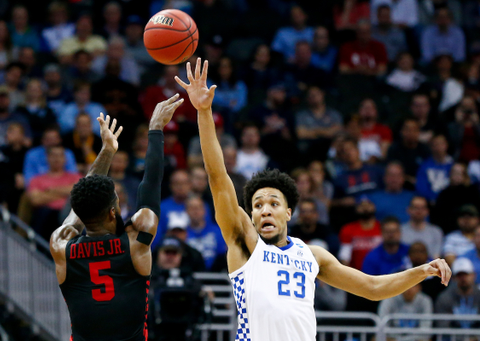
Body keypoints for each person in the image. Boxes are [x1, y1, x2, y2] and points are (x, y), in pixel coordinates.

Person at [175, 57, 451, 341]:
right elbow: (218, 177)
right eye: (257, 206)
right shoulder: (245, 242)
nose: (264, 211)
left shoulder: (312, 255)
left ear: (289, 213)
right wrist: (204, 112)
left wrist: (421, 271)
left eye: (273, 204)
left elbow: (372, 288)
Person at [50, 94, 184, 341]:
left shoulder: (61, 245)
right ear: (113, 211)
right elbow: (151, 183)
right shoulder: (135, 242)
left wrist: (107, 151)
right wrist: (155, 130)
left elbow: (81, 202)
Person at [28, 146, 81, 239]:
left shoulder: (75, 177)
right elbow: (35, 200)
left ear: (65, 159)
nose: (56, 158)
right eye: (53, 155)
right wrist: (66, 193)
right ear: (47, 158)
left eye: (60, 155)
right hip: (46, 217)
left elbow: (79, 192)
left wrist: (50, 190)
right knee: (44, 213)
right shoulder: (36, 180)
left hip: (68, 215)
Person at [435, 258, 480, 329]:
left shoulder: (478, 296)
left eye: (466, 274)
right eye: (459, 275)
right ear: (453, 278)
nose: (463, 278)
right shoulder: (445, 298)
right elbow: (443, 325)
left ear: (474, 275)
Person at [339, 197, 383, 269]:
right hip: (356, 273)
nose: (365, 208)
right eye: (361, 206)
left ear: (374, 207)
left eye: (368, 205)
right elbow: (345, 257)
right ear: (356, 208)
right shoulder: (348, 229)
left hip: (380, 272)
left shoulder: (383, 228)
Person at [185, 196, 227, 270]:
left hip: (216, 275)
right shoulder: (182, 233)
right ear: (186, 211)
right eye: (192, 208)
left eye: (198, 208)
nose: (195, 211)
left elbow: (223, 255)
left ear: (204, 210)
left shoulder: (218, 232)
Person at [387, 118, 431, 186]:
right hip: (400, 186)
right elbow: (390, 170)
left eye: (414, 129)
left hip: (421, 185)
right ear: (401, 131)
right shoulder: (394, 149)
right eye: (407, 129)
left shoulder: (425, 150)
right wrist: (408, 178)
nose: (411, 132)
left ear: (418, 132)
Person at [415, 134, 454, 203]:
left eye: (441, 144)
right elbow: (421, 187)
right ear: (431, 147)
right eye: (436, 144)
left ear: (446, 145)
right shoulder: (425, 166)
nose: (439, 147)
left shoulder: (453, 165)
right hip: (429, 202)